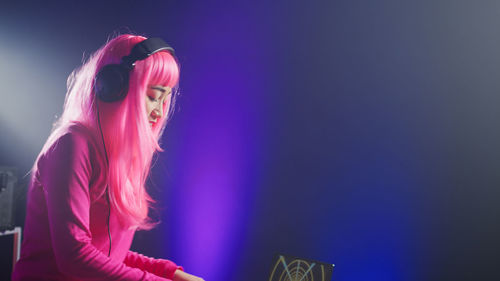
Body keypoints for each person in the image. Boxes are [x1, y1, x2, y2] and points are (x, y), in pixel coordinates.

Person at [12, 34, 204, 281]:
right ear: (114, 86)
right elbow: (75, 256)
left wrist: (172, 273)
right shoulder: (72, 144)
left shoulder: (116, 154)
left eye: (165, 98)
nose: (159, 111)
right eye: (153, 96)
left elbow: (110, 254)